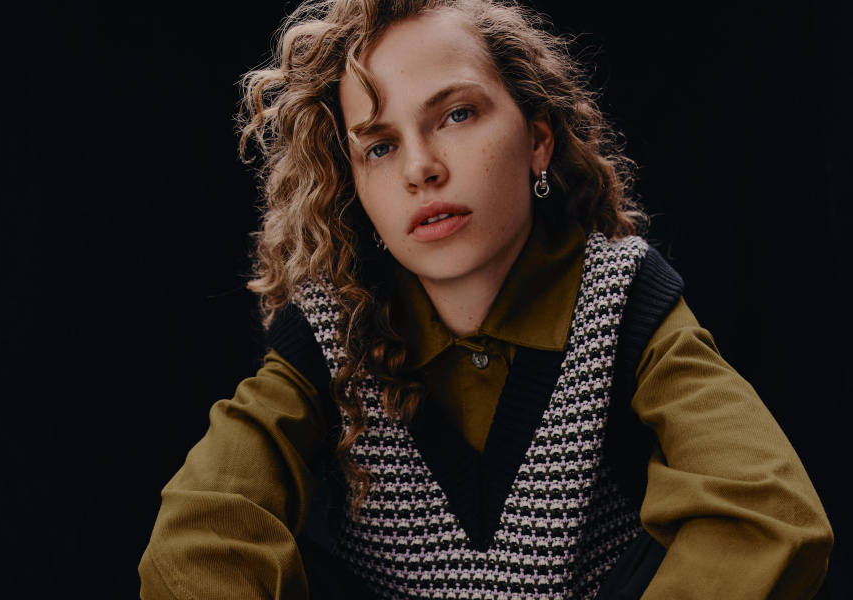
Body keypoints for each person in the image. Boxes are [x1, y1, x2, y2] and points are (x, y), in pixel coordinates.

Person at [139, 0, 833, 598]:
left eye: (457, 114)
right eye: (379, 147)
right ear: (355, 189)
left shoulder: (620, 296)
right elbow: (200, 538)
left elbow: (767, 519)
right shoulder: (330, 329)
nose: (420, 168)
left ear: (538, 140)